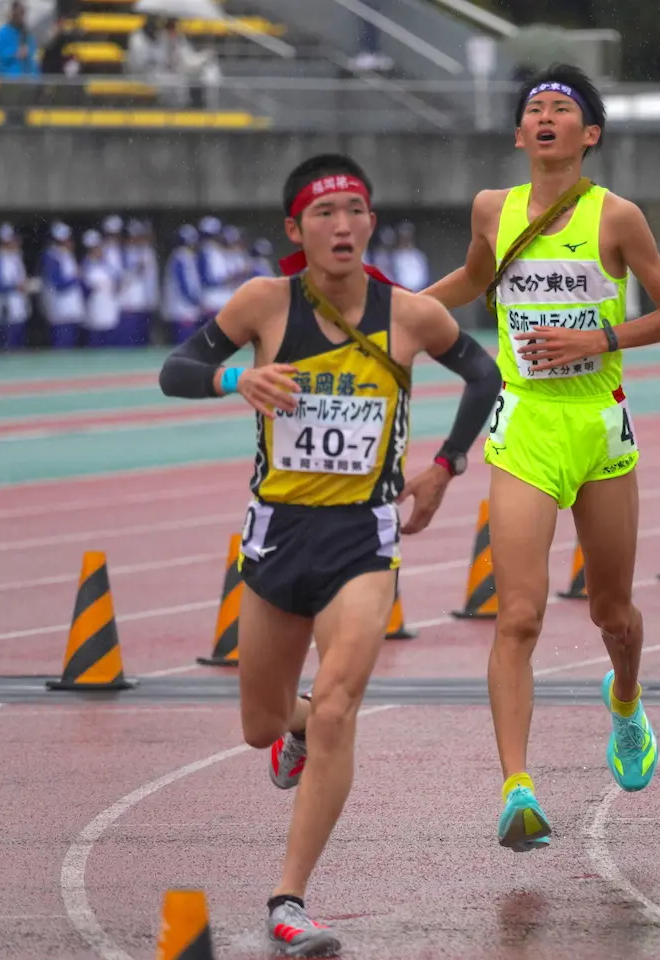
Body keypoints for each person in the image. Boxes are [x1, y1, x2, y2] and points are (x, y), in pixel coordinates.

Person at [158, 153, 501, 957]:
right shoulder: (264, 303)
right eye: (323, 213)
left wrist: (444, 469)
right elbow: (177, 369)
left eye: (355, 210)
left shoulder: (410, 315)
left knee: (342, 706)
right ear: (295, 230)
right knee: (260, 726)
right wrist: (233, 382)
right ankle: (296, 731)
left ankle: (289, 900)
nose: (342, 225)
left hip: (362, 540)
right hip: (278, 536)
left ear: (371, 223)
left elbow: (483, 378)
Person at [421, 64, 660, 852]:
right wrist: (397, 314)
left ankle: (627, 699)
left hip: (599, 426)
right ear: (518, 134)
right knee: (520, 614)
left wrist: (597, 338)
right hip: (525, 425)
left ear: (589, 135)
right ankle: (517, 789)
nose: (545, 118)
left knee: (612, 612)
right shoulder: (490, 209)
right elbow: (477, 277)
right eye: (533, 109)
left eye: (561, 110)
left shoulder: (618, 218)